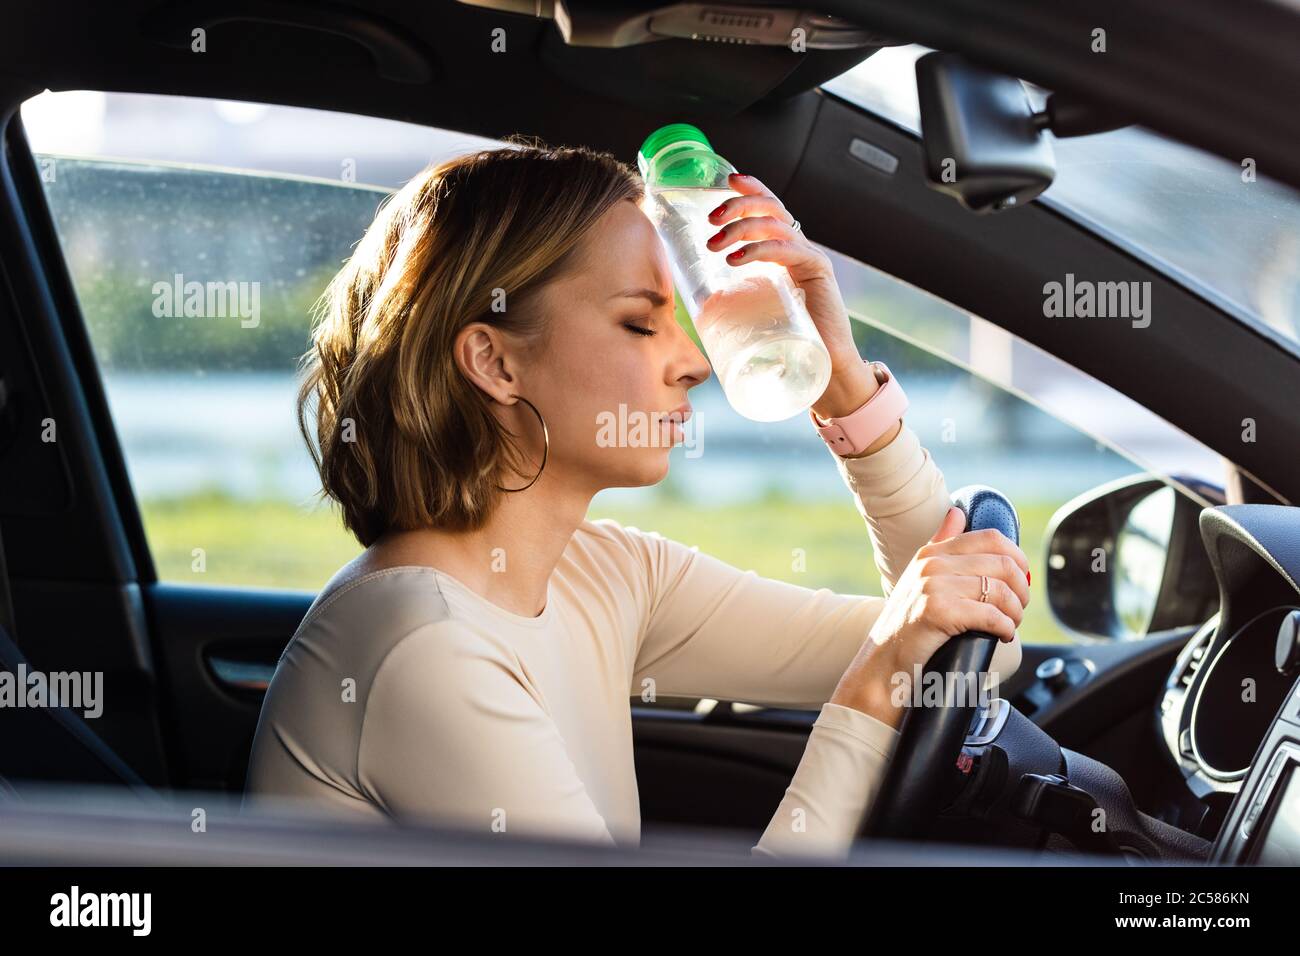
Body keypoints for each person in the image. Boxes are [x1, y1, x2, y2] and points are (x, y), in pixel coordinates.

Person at [242, 139, 1028, 859]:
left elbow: (977, 656)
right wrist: (875, 676)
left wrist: (843, 381)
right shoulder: (423, 648)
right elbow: (905, 662)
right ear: (495, 362)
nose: (693, 362)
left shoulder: (605, 573)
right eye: (639, 324)